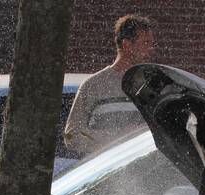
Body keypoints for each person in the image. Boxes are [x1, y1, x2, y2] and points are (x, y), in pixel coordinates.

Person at [63, 14, 156, 158]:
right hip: (105, 173)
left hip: (142, 174)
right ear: (126, 45)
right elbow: (71, 136)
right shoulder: (93, 86)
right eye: (145, 43)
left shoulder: (150, 85)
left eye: (151, 43)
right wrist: (116, 137)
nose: (150, 49)